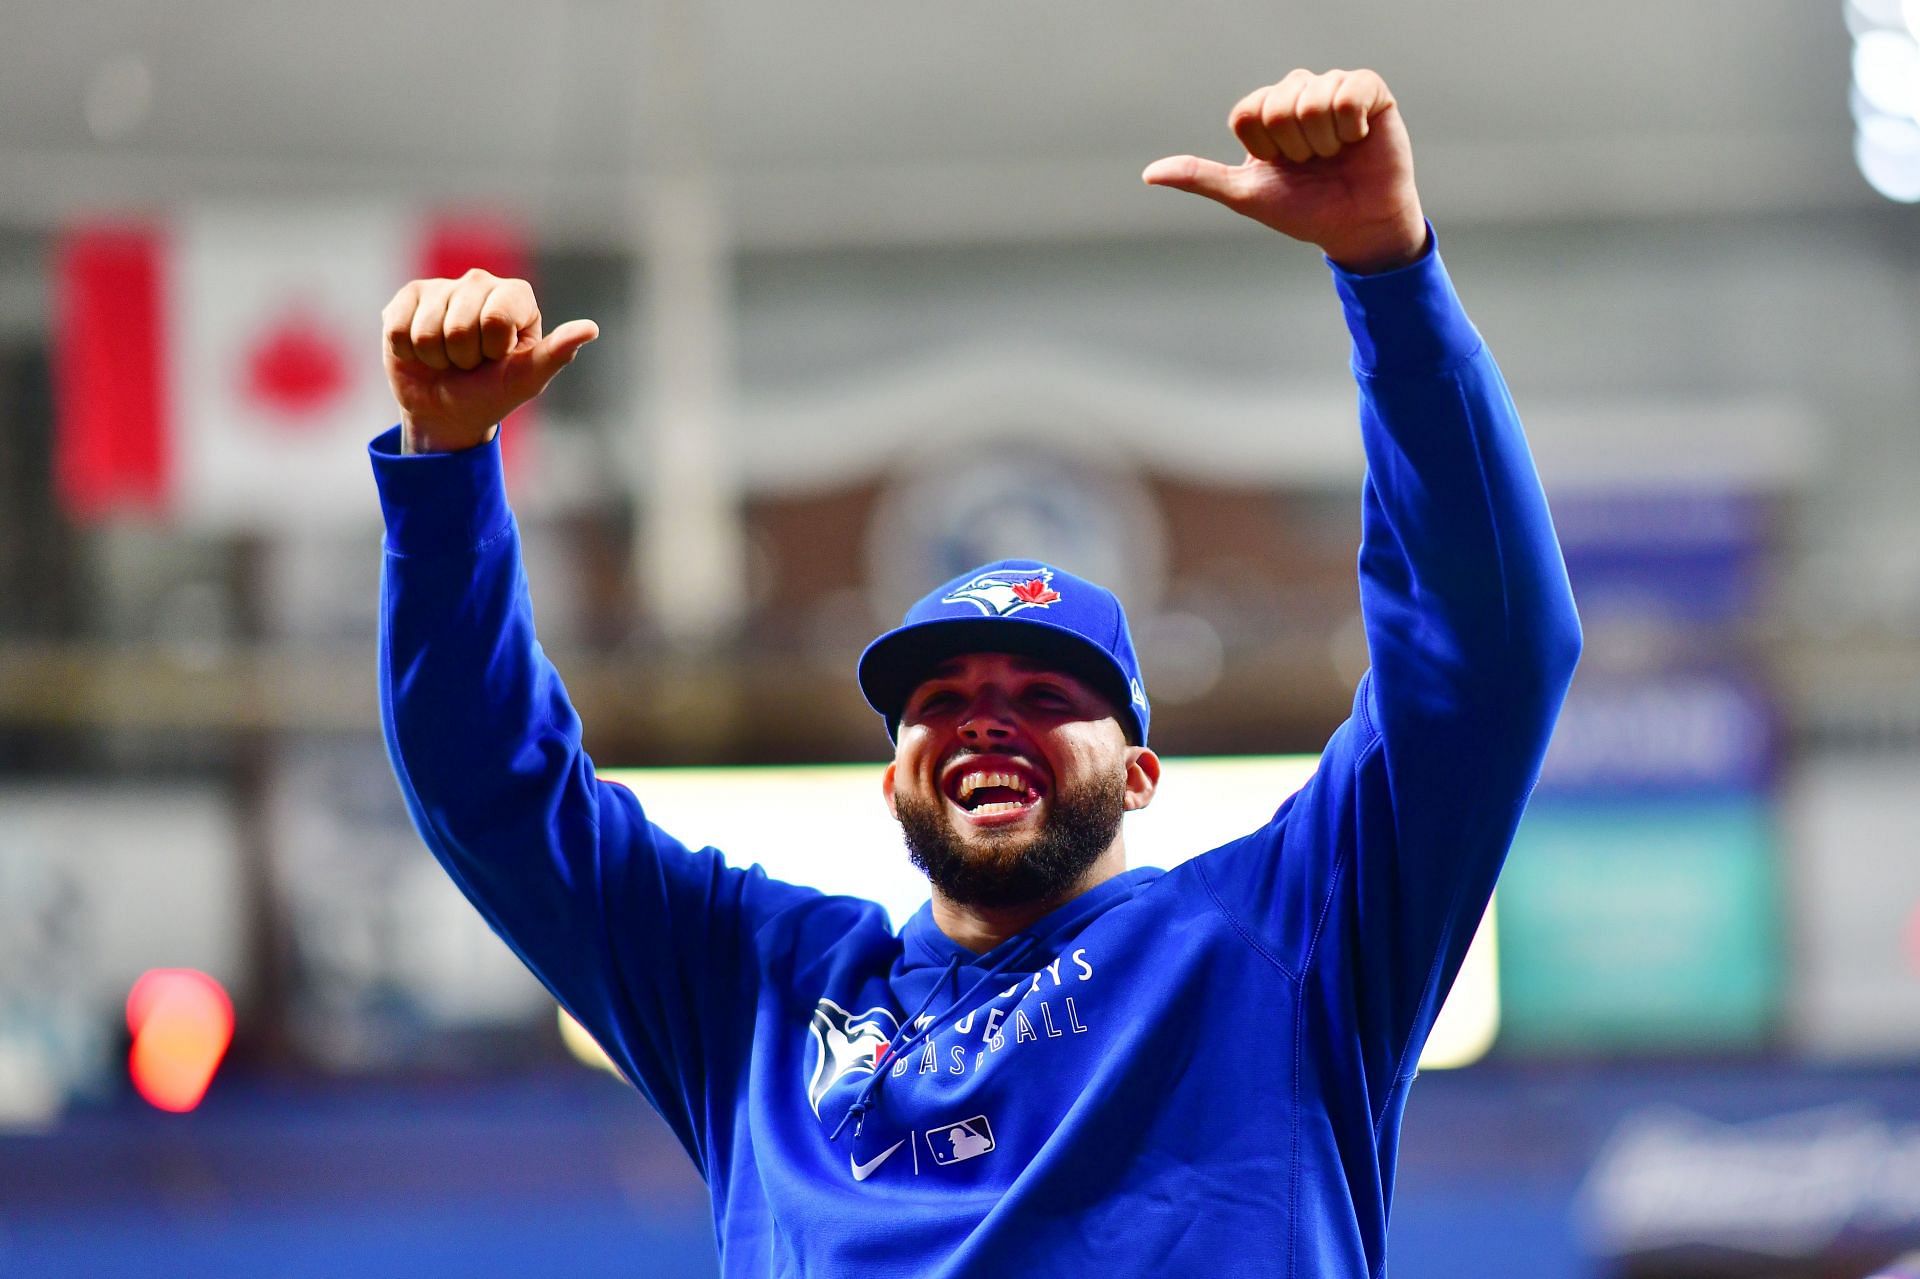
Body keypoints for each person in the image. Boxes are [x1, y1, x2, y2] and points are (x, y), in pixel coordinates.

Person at [370, 68, 1580, 1277]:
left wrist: (1387, 271)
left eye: (1046, 697)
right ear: (892, 779)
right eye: (941, 704)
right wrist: (447, 466)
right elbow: (495, 798)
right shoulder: (759, 993)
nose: (986, 726)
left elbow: (1489, 657)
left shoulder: (1283, 938)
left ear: (1142, 771)